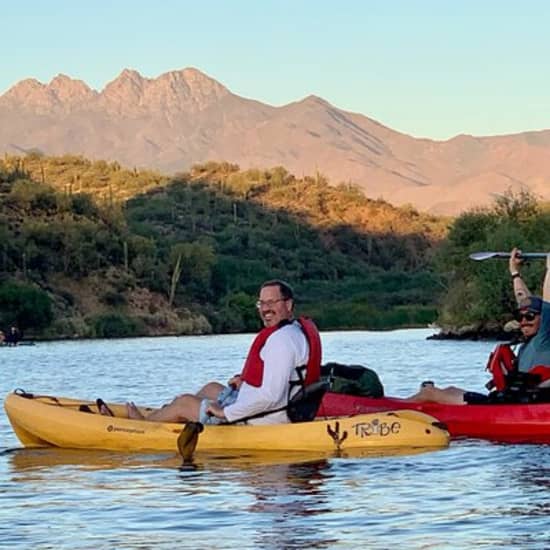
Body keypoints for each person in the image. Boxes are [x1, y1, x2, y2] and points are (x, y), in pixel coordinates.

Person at [117, 279, 322, 424]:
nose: (265, 309)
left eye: (272, 302)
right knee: (211, 388)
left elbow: (270, 396)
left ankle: (143, 425)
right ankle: (172, 418)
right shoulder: (293, 331)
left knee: (184, 402)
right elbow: (283, 376)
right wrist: (245, 382)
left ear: (288, 304)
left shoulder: (281, 340)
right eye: (262, 303)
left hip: (267, 417)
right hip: (273, 406)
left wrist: (225, 412)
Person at [408, 247, 550, 404]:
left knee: (429, 393)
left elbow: (547, 302)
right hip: (506, 400)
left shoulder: (544, 339)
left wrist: (549, 269)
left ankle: (390, 412)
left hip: (514, 407)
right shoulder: (531, 340)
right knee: (449, 390)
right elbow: (523, 300)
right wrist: (514, 271)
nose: (524, 321)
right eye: (520, 316)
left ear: (543, 319)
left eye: (530, 317)